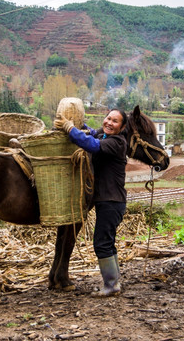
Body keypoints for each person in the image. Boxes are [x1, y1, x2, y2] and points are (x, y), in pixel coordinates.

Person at [54, 109, 128, 297]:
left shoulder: (117, 142)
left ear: (122, 127)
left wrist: (70, 129)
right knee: (108, 242)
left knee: (102, 243)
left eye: (115, 121)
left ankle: (111, 286)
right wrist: (79, 124)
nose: (109, 123)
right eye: (108, 118)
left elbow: (92, 144)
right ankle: (114, 283)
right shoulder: (105, 136)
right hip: (109, 201)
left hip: (112, 201)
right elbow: (93, 134)